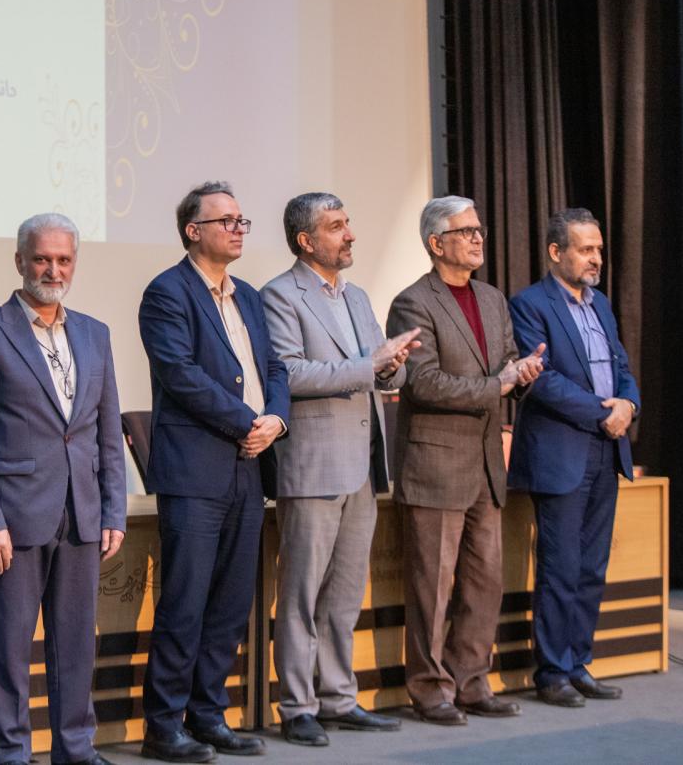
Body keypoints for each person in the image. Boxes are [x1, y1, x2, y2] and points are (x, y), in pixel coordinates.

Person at [0, 213, 126, 765]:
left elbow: (106, 430)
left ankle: (75, 747)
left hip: (82, 513)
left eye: (63, 259)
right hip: (15, 519)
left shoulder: (95, 334)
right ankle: (11, 753)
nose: (53, 270)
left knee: (75, 643)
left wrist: (113, 512)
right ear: (20, 261)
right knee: (10, 647)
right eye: (42, 259)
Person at [138, 180, 290, 762]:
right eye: (225, 220)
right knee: (185, 602)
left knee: (229, 603)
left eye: (241, 220)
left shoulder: (247, 295)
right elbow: (179, 374)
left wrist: (276, 418)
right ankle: (163, 726)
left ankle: (207, 715)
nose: (237, 228)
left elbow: (274, 367)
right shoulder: (167, 292)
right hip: (195, 469)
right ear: (192, 230)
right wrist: (248, 420)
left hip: (248, 465)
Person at [260, 192, 419, 746]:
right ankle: (296, 705)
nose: (349, 234)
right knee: (301, 594)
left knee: (345, 594)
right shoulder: (280, 295)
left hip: (362, 465)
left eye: (347, 223)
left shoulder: (357, 296)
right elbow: (288, 373)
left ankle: (338, 698)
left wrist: (392, 367)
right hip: (313, 465)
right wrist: (370, 365)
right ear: (306, 241)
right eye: (336, 226)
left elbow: (382, 375)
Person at [385, 195, 544, 727]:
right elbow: (425, 383)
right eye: (466, 231)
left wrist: (521, 374)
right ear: (437, 244)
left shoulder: (492, 298)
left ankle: (472, 682)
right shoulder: (413, 302)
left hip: (486, 465)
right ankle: (430, 690)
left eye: (479, 229)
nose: (478, 238)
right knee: (432, 589)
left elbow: (504, 365)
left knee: (484, 583)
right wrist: (498, 384)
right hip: (435, 466)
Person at [508, 207, 640, 708]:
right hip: (562, 451)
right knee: (561, 567)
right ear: (555, 252)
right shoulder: (529, 304)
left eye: (598, 249)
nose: (596, 258)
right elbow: (540, 380)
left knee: (591, 567)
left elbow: (621, 366)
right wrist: (603, 413)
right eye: (586, 249)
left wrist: (629, 405)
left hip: (606, 450)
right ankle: (551, 672)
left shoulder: (600, 304)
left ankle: (578, 663)